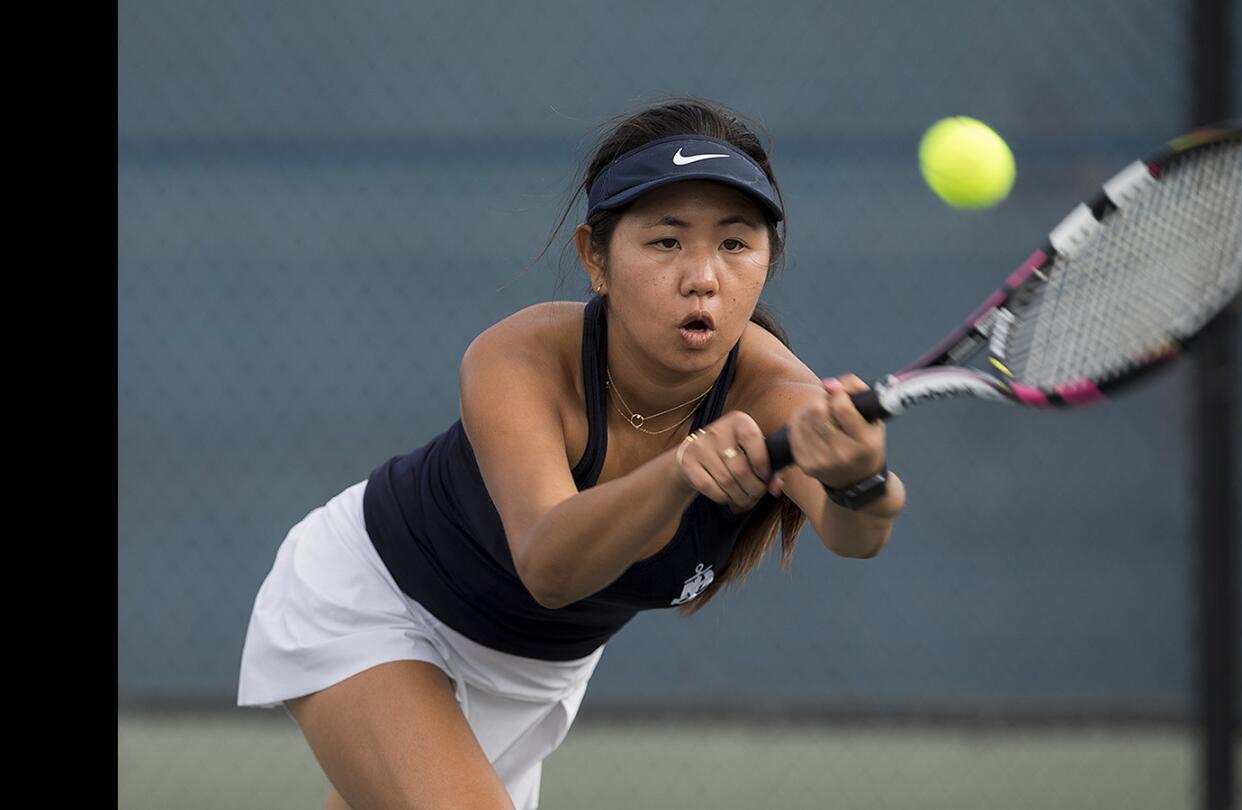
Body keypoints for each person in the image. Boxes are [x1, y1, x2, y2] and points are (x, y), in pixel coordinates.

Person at [237, 97, 907, 810]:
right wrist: (679, 470)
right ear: (596, 258)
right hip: (375, 599)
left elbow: (855, 533)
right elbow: (550, 568)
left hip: (533, 676)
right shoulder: (519, 359)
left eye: (735, 244)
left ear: (768, 263)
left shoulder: (776, 393)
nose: (703, 276)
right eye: (666, 242)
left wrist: (860, 478)